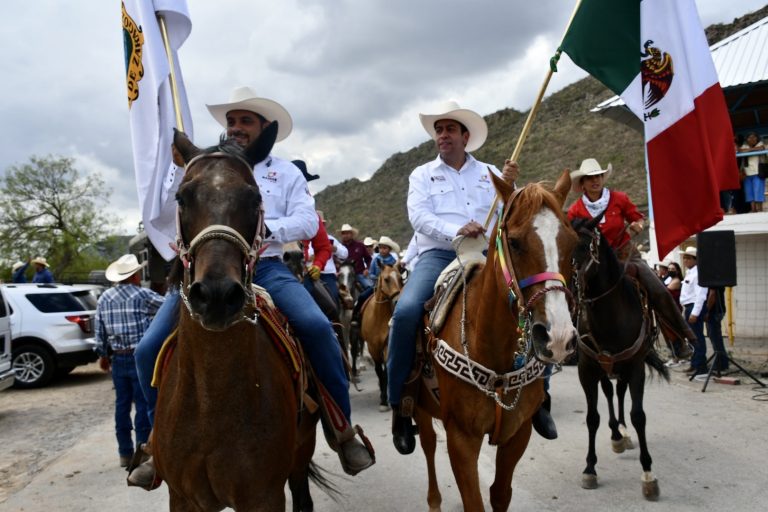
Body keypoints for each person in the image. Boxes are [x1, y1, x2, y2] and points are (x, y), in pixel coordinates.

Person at [130, 86, 373, 486]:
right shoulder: (204, 166)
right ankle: (157, 442)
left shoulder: (286, 171)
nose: (237, 128)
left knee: (315, 327)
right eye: (232, 121)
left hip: (267, 266)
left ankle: (341, 429)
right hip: (206, 267)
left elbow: (307, 222)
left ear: (263, 130)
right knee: (146, 350)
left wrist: (264, 229)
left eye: (246, 121)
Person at [386, 100, 526, 455]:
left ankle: (537, 398)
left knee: (530, 304)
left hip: (487, 255)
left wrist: (511, 189)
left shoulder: (491, 172)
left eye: (450, 129)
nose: (442, 135)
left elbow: (511, 216)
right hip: (439, 253)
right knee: (404, 313)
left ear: (466, 136)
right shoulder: (421, 174)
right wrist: (457, 230)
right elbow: (419, 217)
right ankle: (400, 404)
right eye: (439, 130)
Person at [567, 158, 696, 349]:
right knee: (569, 291)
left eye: (599, 176)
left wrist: (637, 225)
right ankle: (568, 342)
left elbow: (637, 218)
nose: (596, 181)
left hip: (625, 254)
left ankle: (678, 338)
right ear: (582, 183)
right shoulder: (575, 209)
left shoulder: (619, 198)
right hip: (593, 261)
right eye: (590, 178)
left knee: (658, 289)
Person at [94, 254, 165, 468]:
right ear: (134, 276)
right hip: (139, 357)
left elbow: (99, 329)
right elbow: (167, 310)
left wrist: (103, 355)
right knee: (143, 404)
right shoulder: (143, 295)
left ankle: (123, 452)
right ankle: (141, 452)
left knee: (122, 405)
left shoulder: (105, 298)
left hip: (118, 357)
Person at [678, 246, 709, 377]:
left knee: (697, 338)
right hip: (688, 307)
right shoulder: (690, 272)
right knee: (691, 339)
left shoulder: (698, 274)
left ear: (695, 260)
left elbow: (701, 295)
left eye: (688, 258)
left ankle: (701, 367)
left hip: (693, 307)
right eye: (684, 258)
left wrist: (695, 313)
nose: (685, 260)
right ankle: (695, 363)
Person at [352, 235, 400, 317]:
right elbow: (371, 274)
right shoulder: (375, 260)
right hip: (376, 286)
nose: (382, 250)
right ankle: (356, 316)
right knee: (362, 296)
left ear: (389, 249)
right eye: (380, 248)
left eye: (385, 248)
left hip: (389, 286)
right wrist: (378, 278)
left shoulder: (393, 261)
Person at [307, 210, 348, 307]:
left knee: (333, 296)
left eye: (320, 223)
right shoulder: (304, 238)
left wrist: (335, 249)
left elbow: (345, 253)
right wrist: (310, 258)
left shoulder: (331, 239)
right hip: (309, 273)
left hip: (328, 274)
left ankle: (336, 319)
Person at [737, 132, 766, 213]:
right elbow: (740, 150)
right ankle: (753, 209)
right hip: (746, 173)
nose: (752, 139)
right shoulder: (744, 145)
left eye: (754, 137)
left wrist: (749, 150)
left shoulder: (760, 144)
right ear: (747, 139)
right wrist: (750, 149)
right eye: (749, 137)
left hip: (758, 172)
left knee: (758, 190)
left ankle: (760, 209)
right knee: (749, 192)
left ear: (757, 138)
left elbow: (761, 148)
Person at [339, 224, 373, 291]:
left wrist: (367, 269)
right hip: (344, 275)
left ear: (351, 234)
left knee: (370, 288)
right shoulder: (339, 247)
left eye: (348, 233)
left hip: (359, 273)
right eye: (344, 233)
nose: (346, 235)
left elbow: (368, 259)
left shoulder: (360, 245)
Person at [704, 286, 729, 373]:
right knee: (714, 336)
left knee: (715, 337)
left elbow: (712, 295)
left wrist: (707, 310)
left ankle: (720, 363)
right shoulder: (716, 279)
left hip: (714, 311)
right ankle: (722, 361)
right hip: (716, 310)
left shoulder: (713, 281)